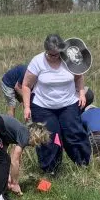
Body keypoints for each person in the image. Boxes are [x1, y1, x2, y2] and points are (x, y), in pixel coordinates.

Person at [21, 34, 90, 174]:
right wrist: (27, 107)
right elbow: (26, 85)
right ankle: (50, 170)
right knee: (48, 138)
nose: (54, 57)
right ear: (46, 50)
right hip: (43, 106)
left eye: (57, 54)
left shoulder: (69, 59)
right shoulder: (37, 61)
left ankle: (83, 164)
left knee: (74, 133)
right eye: (51, 55)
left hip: (68, 103)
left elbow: (79, 76)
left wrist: (81, 93)